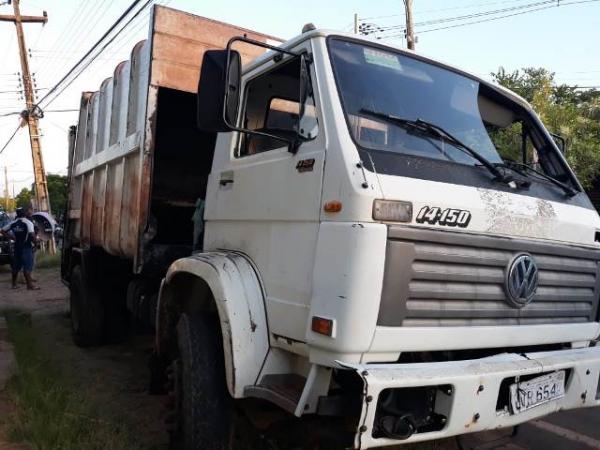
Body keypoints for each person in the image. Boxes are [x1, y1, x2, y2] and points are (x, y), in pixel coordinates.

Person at [1, 207, 39, 290]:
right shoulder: (28, 223)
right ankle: (29, 285)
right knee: (27, 266)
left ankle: (14, 284)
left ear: (17, 214)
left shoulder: (13, 223)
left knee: (16, 266)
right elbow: (32, 235)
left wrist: (12, 237)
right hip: (26, 247)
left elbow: (2, 230)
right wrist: (36, 244)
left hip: (17, 247)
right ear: (24, 213)